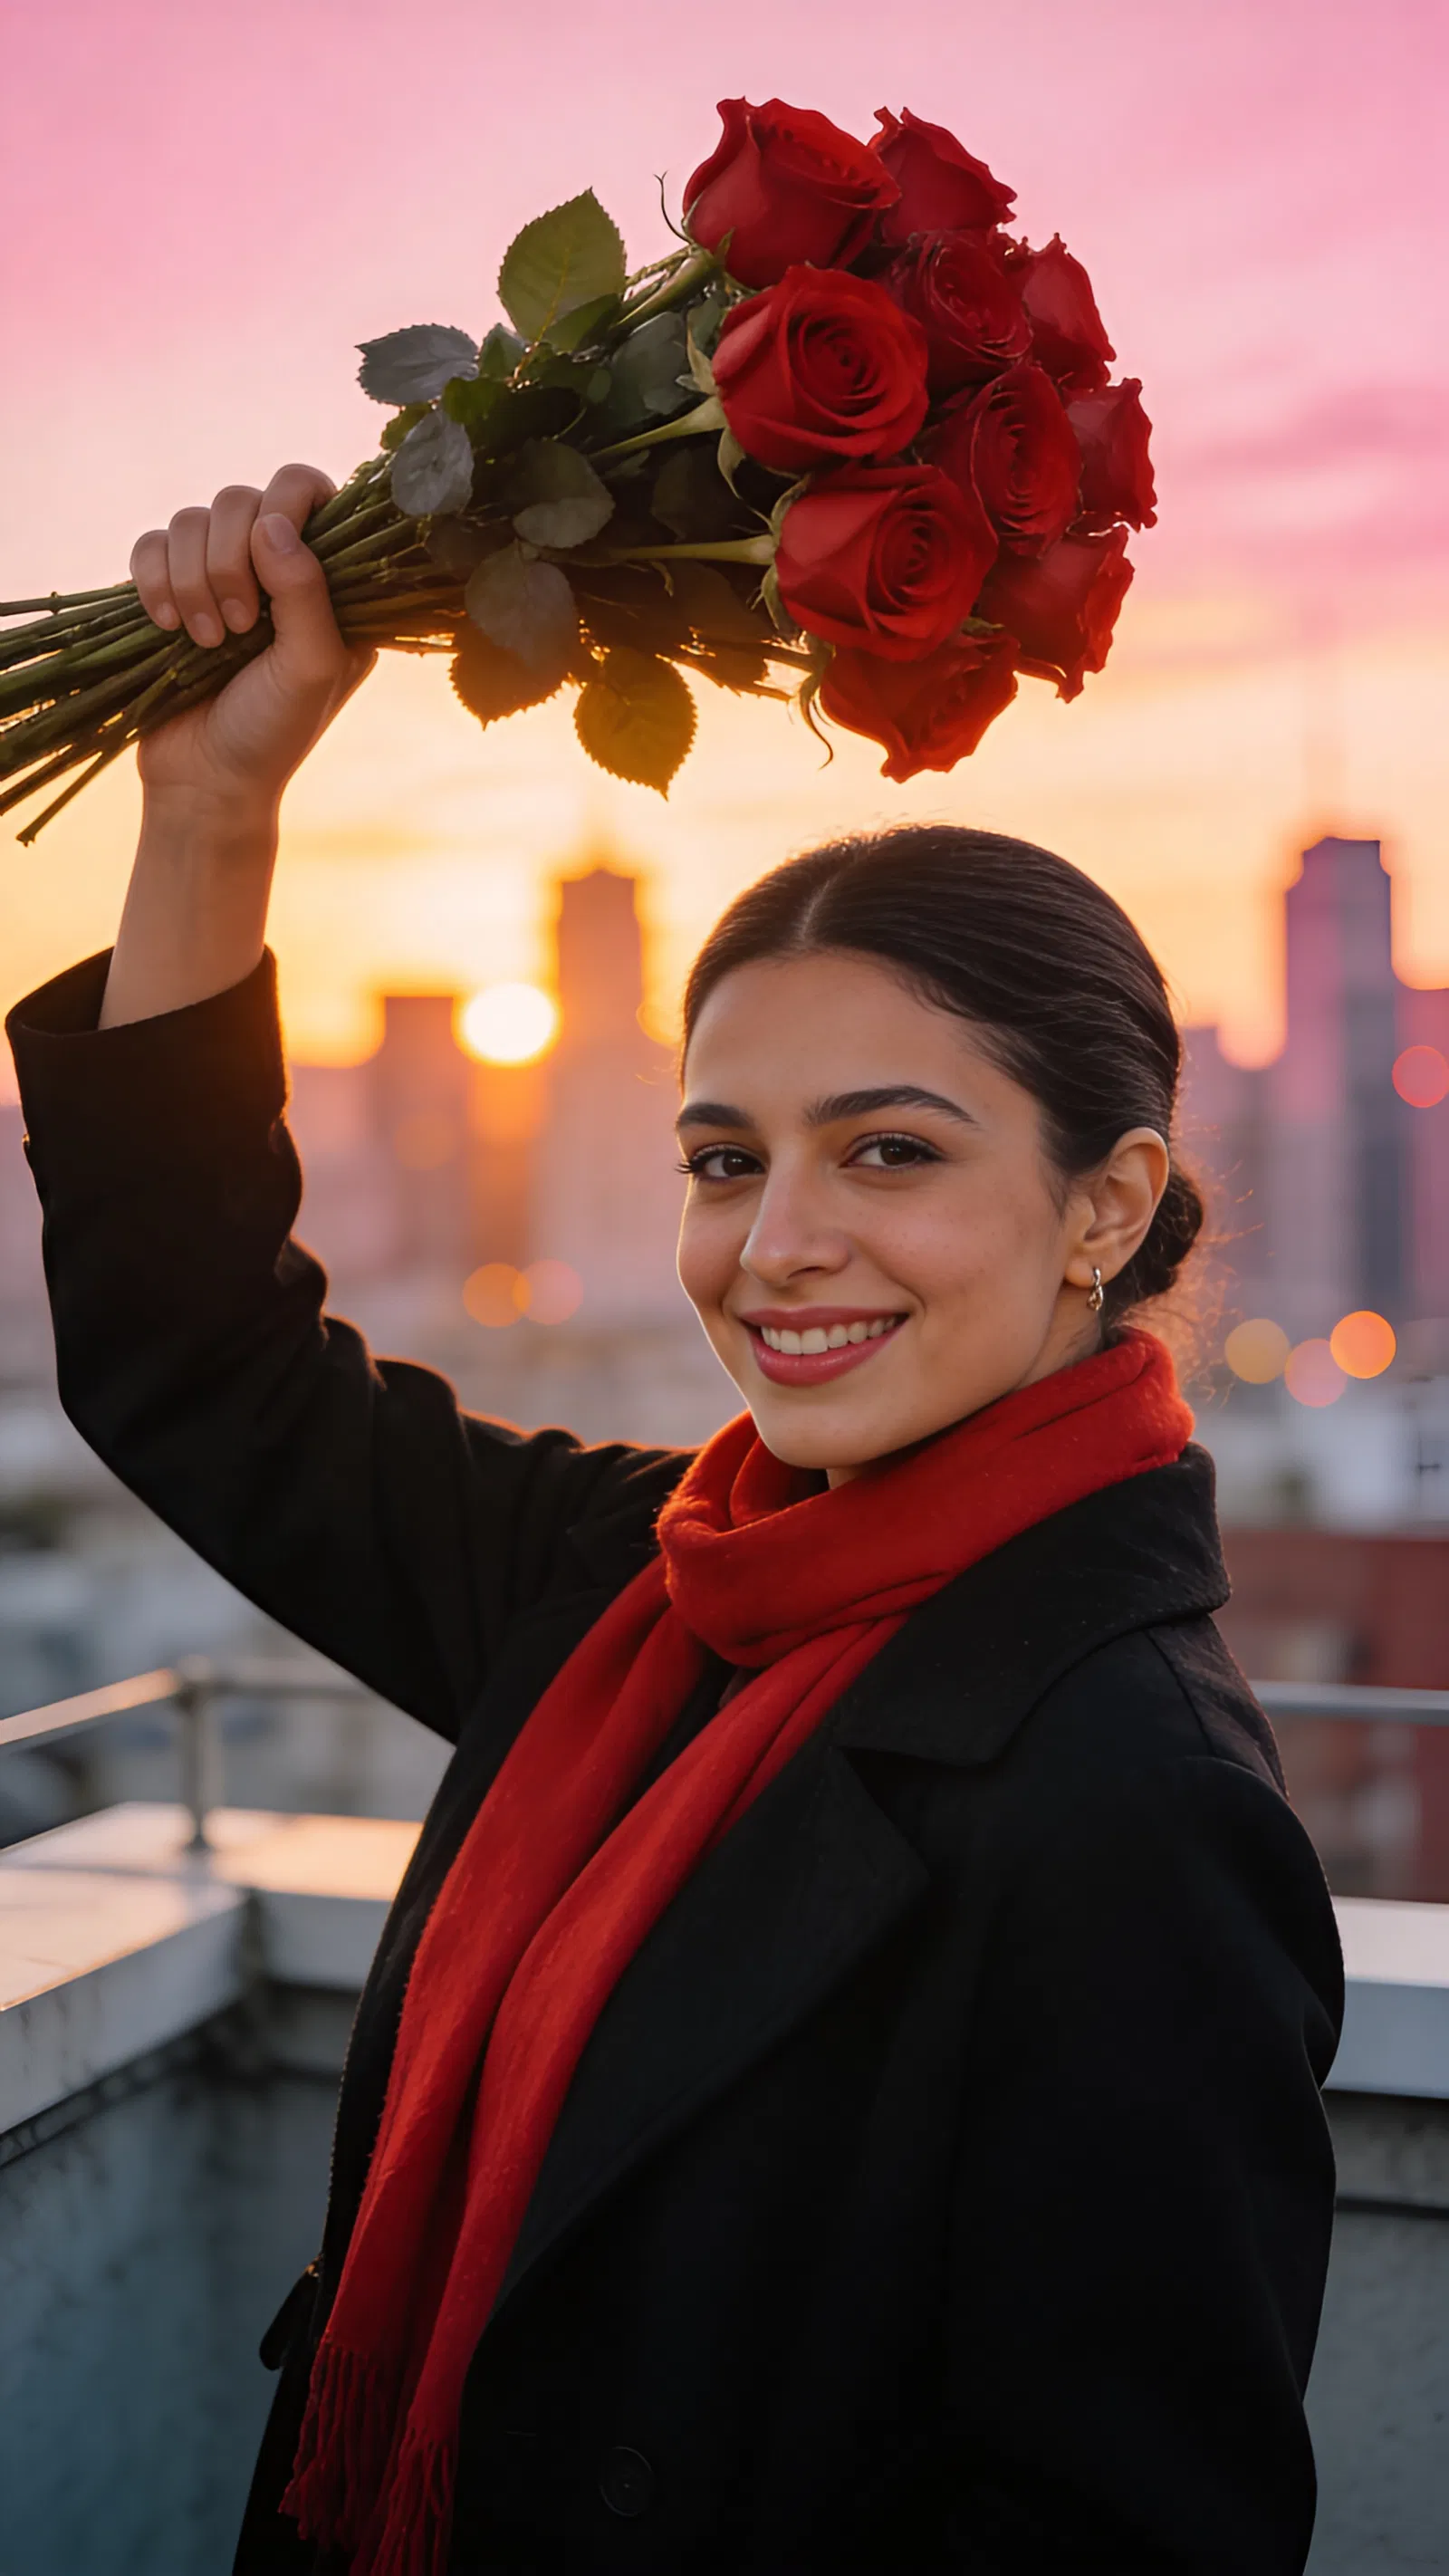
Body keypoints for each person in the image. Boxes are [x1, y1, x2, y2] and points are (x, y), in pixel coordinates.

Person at [6, 466, 1343, 2576]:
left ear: (1103, 1203)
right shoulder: (636, 1582)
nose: (776, 1247)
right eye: (726, 1161)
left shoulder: (1131, 1803)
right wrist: (209, 807)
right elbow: (203, 1365)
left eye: (886, 1152)